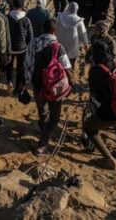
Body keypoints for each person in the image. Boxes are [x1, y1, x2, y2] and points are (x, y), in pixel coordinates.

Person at [83, 41, 116, 170]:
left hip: (112, 113)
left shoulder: (96, 70)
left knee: (89, 128)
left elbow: (96, 95)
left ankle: (108, 159)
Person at [25, 19, 74, 155]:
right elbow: (67, 68)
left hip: (38, 85)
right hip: (55, 87)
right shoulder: (58, 47)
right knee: (55, 116)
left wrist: (27, 82)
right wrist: (71, 83)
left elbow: (27, 64)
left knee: (42, 111)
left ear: (43, 30)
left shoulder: (33, 43)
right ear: (55, 31)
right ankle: (43, 143)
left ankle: (44, 130)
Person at [7, 0, 33, 93]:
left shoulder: (8, 17)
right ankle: (17, 88)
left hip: (10, 47)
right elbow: (30, 36)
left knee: (9, 66)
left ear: (13, 5)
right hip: (22, 48)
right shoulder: (26, 19)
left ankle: (9, 82)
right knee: (20, 68)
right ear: (22, 6)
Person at [57, 2, 89, 69]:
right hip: (73, 47)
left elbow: (55, 28)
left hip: (60, 44)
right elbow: (83, 34)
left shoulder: (60, 17)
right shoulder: (78, 20)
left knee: (59, 63)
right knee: (71, 64)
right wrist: (86, 45)